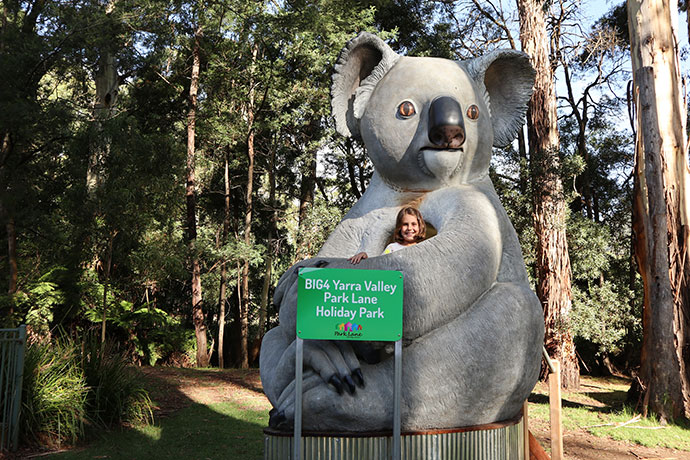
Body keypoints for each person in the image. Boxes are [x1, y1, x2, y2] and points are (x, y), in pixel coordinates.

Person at [348, 206, 426, 264]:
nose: (409, 228)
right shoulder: (392, 248)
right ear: (399, 227)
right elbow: (380, 265)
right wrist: (366, 258)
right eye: (405, 224)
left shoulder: (423, 249)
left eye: (414, 224)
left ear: (420, 227)